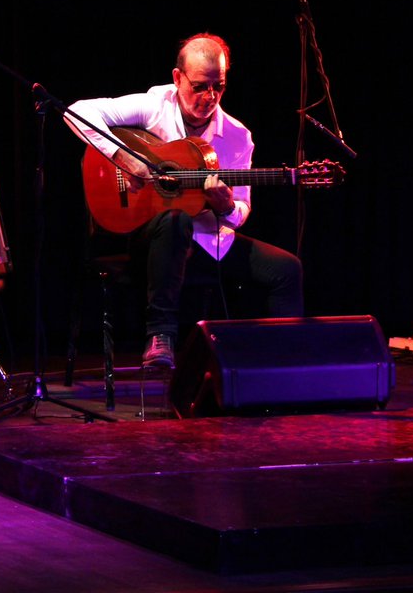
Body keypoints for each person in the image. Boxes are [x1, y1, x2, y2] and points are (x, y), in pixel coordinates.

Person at [65, 32, 304, 369]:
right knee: (175, 220)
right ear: (178, 78)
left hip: (208, 243)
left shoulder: (237, 136)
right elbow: (76, 112)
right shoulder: (154, 106)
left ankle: (289, 366)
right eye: (200, 86)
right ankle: (160, 336)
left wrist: (225, 206)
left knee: (287, 269)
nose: (210, 96)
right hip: (149, 240)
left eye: (219, 86)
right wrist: (123, 157)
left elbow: (241, 210)